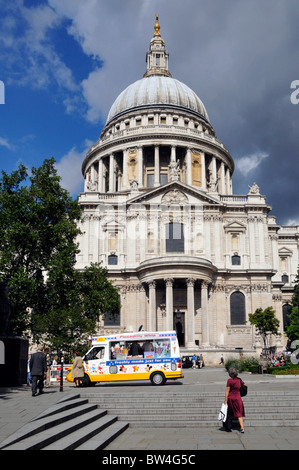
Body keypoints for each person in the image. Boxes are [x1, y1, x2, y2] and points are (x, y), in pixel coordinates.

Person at [223, 367, 245, 433]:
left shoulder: (229, 380)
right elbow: (244, 385)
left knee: (229, 413)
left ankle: (228, 427)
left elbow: (227, 391)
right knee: (239, 413)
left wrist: (225, 400)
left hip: (231, 398)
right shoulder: (239, 380)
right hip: (238, 398)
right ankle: (242, 427)